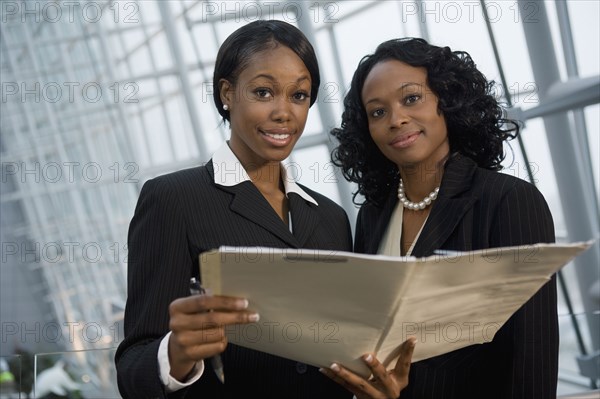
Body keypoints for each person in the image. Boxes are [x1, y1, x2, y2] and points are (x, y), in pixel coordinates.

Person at [115, 20, 413, 399]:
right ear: (227, 94)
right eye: (263, 92)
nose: (284, 113)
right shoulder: (173, 199)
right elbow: (132, 368)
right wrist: (175, 354)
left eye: (299, 95)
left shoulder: (330, 217)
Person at [330, 38, 558, 398]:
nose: (396, 119)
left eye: (411, 98)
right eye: (377, 112)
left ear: (448, 100)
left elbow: (530, 359)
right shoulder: (373, 216)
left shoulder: (508, 201)